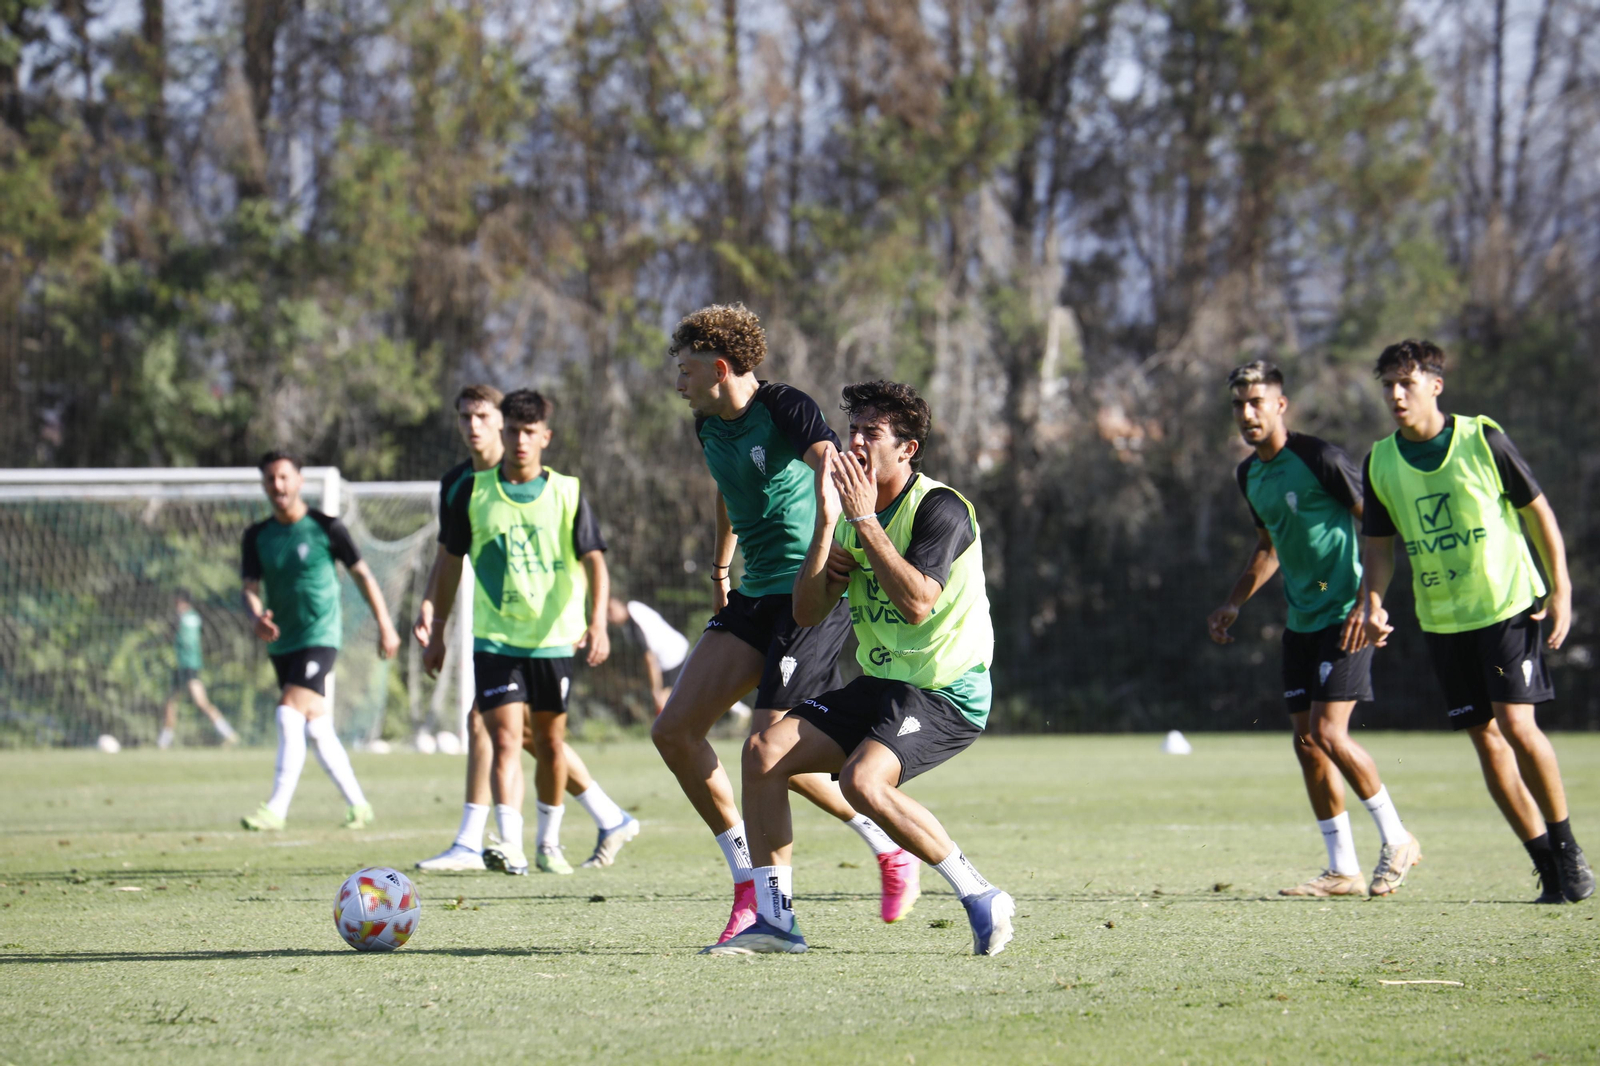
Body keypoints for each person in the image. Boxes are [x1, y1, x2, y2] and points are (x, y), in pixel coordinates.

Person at [715, 380, 1013, 956]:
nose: (854, 441)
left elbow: (918, 601)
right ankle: (777, 922)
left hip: (946, 691)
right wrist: (828, 525)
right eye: (853, 429)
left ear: (907, 449)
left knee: (860, 781)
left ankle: (981, 894)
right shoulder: (850, 513)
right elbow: (807, 610)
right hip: (883, 685)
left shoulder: (940, 508)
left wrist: (865, 523)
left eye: (870, 433)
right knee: (762, 755)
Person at [654, 305, 918, 946]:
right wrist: (721, 565)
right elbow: (728, 485)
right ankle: (751, 881)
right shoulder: (708, 427)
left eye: (686, 370)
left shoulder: (785, 407)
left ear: (720, 369)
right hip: (752, 596)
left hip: (811, 598)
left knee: (768, 755)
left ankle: (779, 910)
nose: (678, 383)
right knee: (675, 731)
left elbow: (836, 465)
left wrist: (858, 540)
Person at [1348, 339, 1593, 904]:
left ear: (1435, 385)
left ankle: (1568, 849)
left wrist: (1562, 587)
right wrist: (1375, 600)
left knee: (1517, 727)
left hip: (1505, 605)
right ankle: (1547, 868)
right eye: (1387, 384)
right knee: (1485, 741)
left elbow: (1539, 512)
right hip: (1443, 620)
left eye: (1405, 383)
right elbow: (1380, 547)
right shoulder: (1380, 460)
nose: (1394, 395)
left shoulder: (1482, 439)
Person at [1206, 361, 1420, 897]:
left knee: (1329, 733)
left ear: (1281, 405)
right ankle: (1341, 868)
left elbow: (1376, 527)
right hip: (1301, 620)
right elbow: (1268, 544)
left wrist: (1370, 604)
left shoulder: (1319, 458)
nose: (1247, 413)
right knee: (1307, 742)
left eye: (1258, 402)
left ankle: (1398, 839)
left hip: (1345, 612)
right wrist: (1234, 602)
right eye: (1239, 404)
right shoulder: (1248, 475)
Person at [414, 385, 639, 872]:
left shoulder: (563, 489)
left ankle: (580, 823)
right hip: (496, 636)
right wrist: (433, 619)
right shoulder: (462, 487)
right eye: (464, 418)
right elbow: (447, 560)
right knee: (499, 732)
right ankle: (490, 840)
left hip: (551, 637)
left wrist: (595, 621)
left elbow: (593, 560)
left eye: (484, 417)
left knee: (541, 739)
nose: (475, 427)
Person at [240, 452, 401, 830]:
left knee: (288, 711)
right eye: (270, 480)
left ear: (299, 481)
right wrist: (256, 615)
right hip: (283, 642)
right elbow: (249, 589)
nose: (277, 486)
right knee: (316, 726)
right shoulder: (256, 536)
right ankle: (359, 805)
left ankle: (276, 809)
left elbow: (363, 576)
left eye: (283, 477)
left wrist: (385, 624)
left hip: (321, 635)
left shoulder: (327, 528)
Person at [158, 589, 240, 749]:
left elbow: (180, 638)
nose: (176, 605)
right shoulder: (194, 617)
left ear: (183, 602)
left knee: (198, 702)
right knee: (171, 702)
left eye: (177, 602)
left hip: (187, 666)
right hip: (188, 665)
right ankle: (164, 740)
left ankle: (228, 733)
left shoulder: (184, 618)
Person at [606, 597, 693, 715]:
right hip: (675, 653)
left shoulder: (634, 625)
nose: (609, 617)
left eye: (610, 611)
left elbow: (650, 659)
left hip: (672, 658)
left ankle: (670, 730)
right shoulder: (634, 609)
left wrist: (655, 689)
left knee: (662, 699)